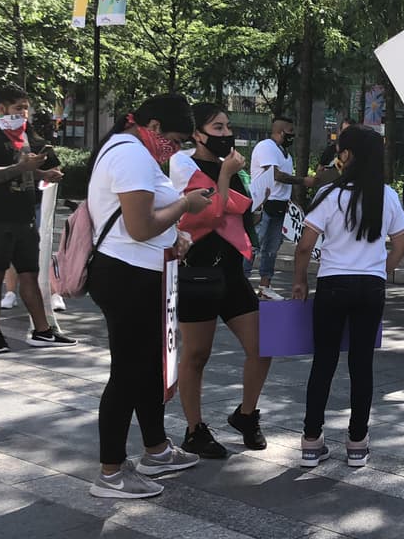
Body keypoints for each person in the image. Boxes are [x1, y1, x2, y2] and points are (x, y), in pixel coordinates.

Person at [86, 94, 215, 498]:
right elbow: (140, 227)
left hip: (139, 272)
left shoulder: (128, 150)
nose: (174, 150)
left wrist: (172, 235)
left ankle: (155, 450)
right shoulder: (132, 155)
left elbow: (141, 226)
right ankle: (110, 472)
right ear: (154, 126)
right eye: (174, 140)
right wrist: (185, 205)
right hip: (127, 276)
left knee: (144, 369)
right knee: (128, 373)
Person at [294, 125, 404, 468]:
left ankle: (312, 441)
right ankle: (357, 442)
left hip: (333, 285)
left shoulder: (330, 195)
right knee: (362, 366)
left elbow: (304, 246)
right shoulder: (387, 195)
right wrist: (380, 268)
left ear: (348, 155)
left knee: (324, 363)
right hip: (370, 287)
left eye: (341, 150)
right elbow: (401, 243)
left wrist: (300, 281)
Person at [169, 103, 273, 458]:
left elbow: (241, 208)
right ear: (197, 134)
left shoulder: (232, 166)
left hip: (231, 271)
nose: (226, 133)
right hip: (197, 269)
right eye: (217, 127)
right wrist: (226, 176)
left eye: (227, 126)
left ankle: (246, 415)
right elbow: (209, 212)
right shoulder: (184, 164)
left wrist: (234, 182)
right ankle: (195, 429)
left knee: (263, 346)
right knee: (197, 354)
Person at [0, 84, 74, 352]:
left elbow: (34, 168)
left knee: (30, 274)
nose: (23, 114)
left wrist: (45, 174)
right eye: (18, 108)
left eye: (26, 108)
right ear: (1, 109)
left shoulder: (27, 135)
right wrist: (21, 167)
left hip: (25, 218)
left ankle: (42, 331)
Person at [246, 117, 316, 300]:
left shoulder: (286, 155)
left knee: (271, 248)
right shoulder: (266, 147)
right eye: (290, 131)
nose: (293, 135)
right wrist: (303, 180)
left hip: (280, 206)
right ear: (280, 132)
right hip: (263, 204)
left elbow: (285, 185)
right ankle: (240, 282)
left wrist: (293, 203)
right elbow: (275, 175)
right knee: (253, 246)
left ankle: (264, 286)